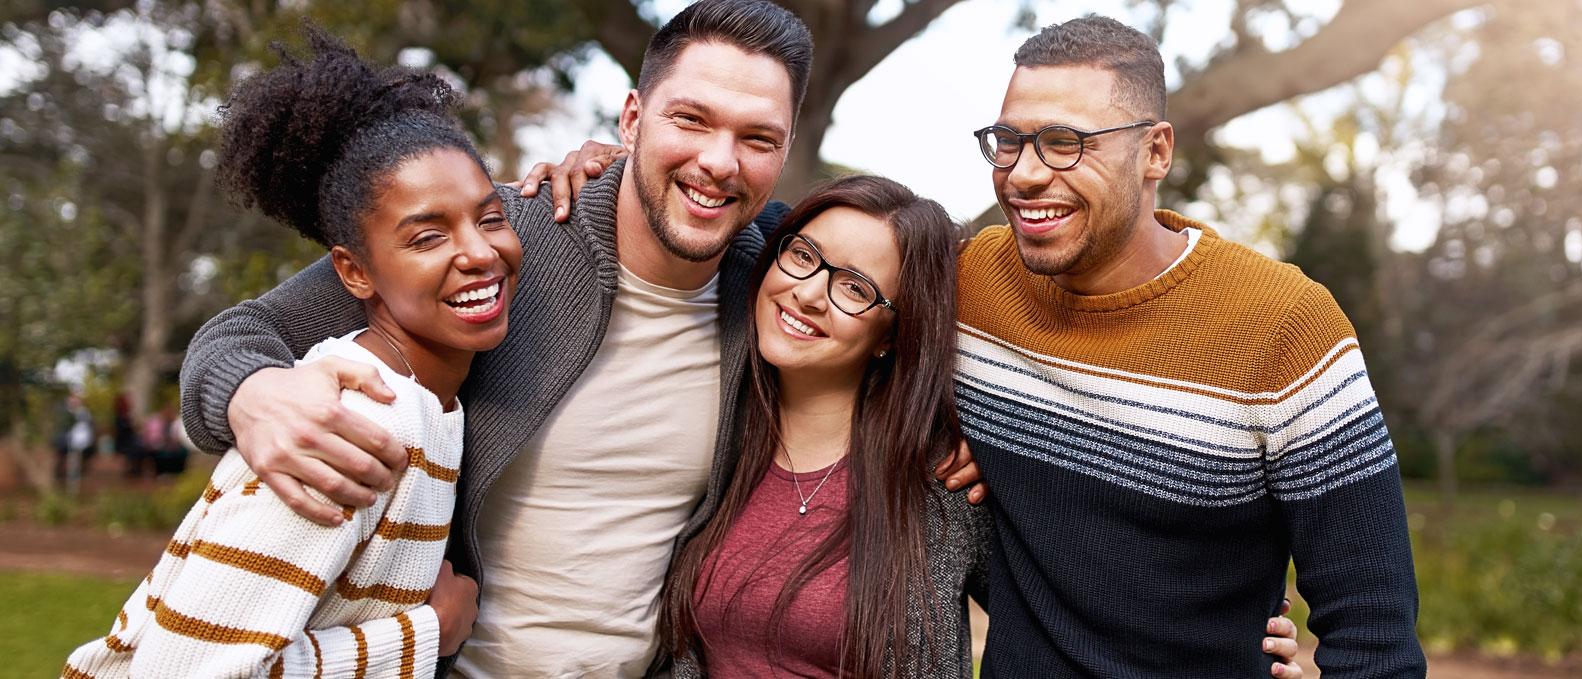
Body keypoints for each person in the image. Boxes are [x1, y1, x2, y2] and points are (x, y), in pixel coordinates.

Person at [172, 3, 980, 676]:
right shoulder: (500, 242)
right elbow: (243, 332)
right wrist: (253, 393)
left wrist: (953, 425)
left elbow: (890, 299)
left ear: (781, 153)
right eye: (689, 119)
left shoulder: (772, 281)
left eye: (757, 139)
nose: (717, 161)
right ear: (631, 117)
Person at [957, 16, 1425, 677]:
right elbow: (805, 274)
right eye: (1009, 141)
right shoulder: (970, 281)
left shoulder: (1284, 325)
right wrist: (927, 429)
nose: (1025, 174)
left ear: (1156, 152)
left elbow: (1374, 631)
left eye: (1066, 143)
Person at [64, 25, 501, 677]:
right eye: (427, 236)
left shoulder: (434, 406)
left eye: (491, 217)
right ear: (354, 272)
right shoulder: (351, 420)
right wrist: (423, 633)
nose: (480, 251)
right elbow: (179, 669)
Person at [654, 175, 984, 678]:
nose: (808, 294)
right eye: (805, 256)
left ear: (892, 336)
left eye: (855, 288)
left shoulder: (941, 478)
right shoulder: (721, 427)